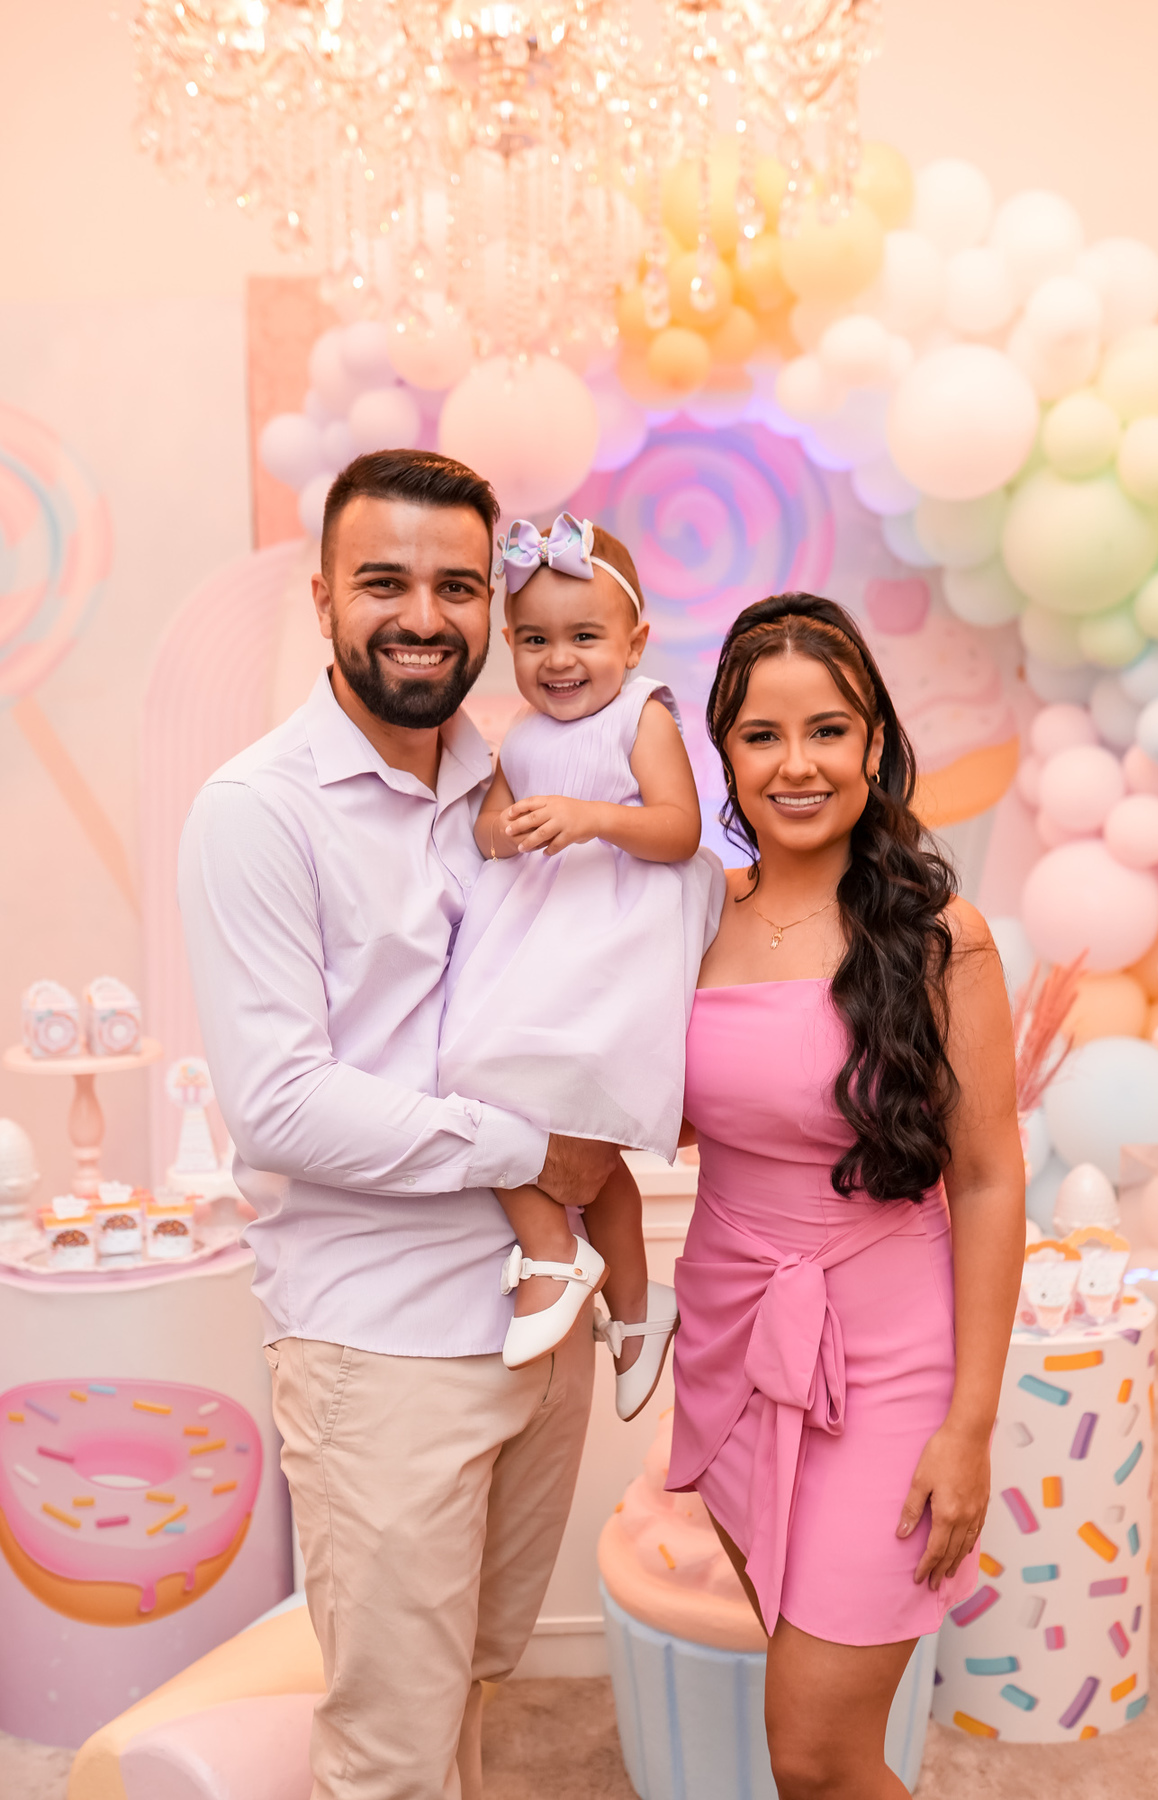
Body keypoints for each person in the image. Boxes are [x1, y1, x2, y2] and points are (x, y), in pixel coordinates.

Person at [177, 449, 618, 1800]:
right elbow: (280, 1102)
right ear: (323, 599)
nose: (423, 616)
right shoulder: (258, 812)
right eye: (383, 582)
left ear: (492, 603)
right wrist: (532, 1152)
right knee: (388, 1752)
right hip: (381, 1346)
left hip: (537, 1319)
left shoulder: (509, 779)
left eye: (457, 586)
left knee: (465, 1687)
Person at [667, 594, 1025, 1800]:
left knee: (817, 1756)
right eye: (762, 735)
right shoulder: (687, 920)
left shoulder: (941, 940)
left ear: (875, 742)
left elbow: (988, 1179)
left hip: (890, 1363)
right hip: (735, 1348)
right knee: (809, 1722)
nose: (798, 764)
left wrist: (969, 1426)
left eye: (828, 729)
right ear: (724, 752)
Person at [437, 511, 722, 1417]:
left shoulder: (642, 715)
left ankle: (556, 1258)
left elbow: (679, 829)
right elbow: (490, 823)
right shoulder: (519, 733)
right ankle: (633, 1301)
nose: (558, 660)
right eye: (534, 640)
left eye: (585, 638)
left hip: (609, 948)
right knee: (490, 1092)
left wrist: (592, 817)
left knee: (555, 1112)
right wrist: (503, 827)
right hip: (537, 943)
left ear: (634, 643)